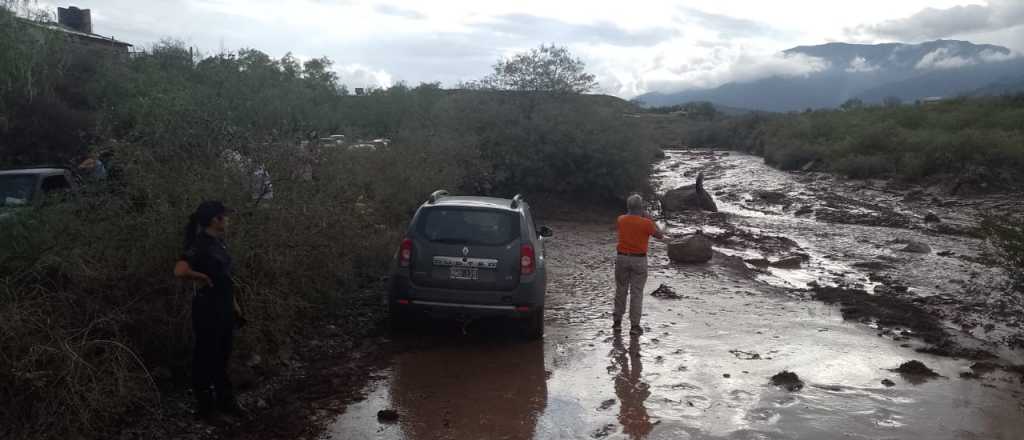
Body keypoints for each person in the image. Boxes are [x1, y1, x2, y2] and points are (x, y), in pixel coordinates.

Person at [173, 201, 246, 419]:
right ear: (215, 219)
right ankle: (205, 407)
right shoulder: (199, 244)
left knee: (223, 355)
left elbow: (226, 278)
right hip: (207, 308)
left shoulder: (219, 243)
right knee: (205, 356)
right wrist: (201, 277)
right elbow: (179, 270)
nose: (228, 220)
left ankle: (226, 401)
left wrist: (235, 306)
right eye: (225, 216)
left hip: (224, 307)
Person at [614, 194, 667, 336]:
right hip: (639, 260)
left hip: (622, 258)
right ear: (641, 207)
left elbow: (627, 218)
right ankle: (634, 326)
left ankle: (617, 322)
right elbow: (660, 235)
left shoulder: (621, 219)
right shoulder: (646, 223)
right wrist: (650, 218)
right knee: (636, 293)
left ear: (628, 207)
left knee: (621, 290)